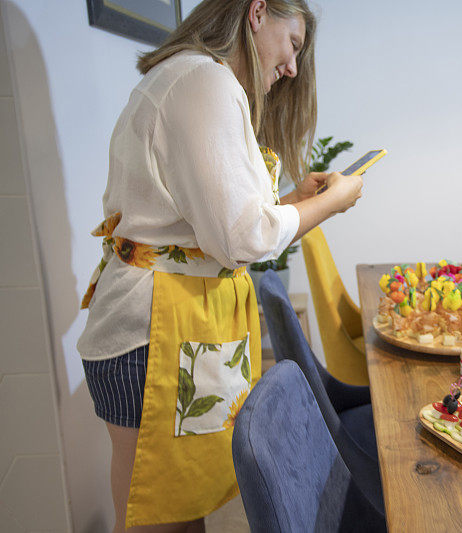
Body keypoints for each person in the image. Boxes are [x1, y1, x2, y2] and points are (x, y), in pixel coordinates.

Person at [76, 1, 362, 530]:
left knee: (183, 507)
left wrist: (293, 198)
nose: (293, 67)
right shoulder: (204, 82)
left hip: (175, 329)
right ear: (257, 13)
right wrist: (330, 203)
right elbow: (240, 237)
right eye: (293, 44)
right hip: (151, 335)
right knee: (160, 517)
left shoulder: (194, 79)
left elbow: (218, 216)